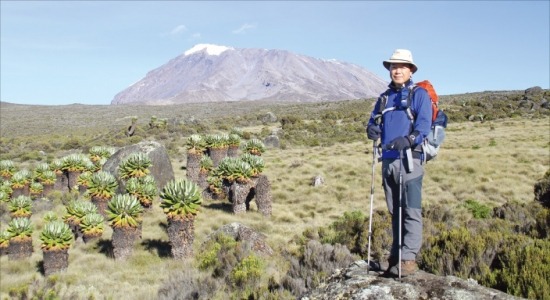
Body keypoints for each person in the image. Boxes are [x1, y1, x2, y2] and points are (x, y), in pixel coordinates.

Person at [366, 49, 432, 277]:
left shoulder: (419, 94)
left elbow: (424, 125)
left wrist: (409, 139)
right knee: (395, 211)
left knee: (411, 210)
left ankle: (409, 259)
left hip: (410, 160)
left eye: (402, 66)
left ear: (410, 70)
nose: (397, 70)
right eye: (394, 66)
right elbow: (373, 121)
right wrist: (372, 129)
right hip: (388, 161)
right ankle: (395, 256)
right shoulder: (384, 98)